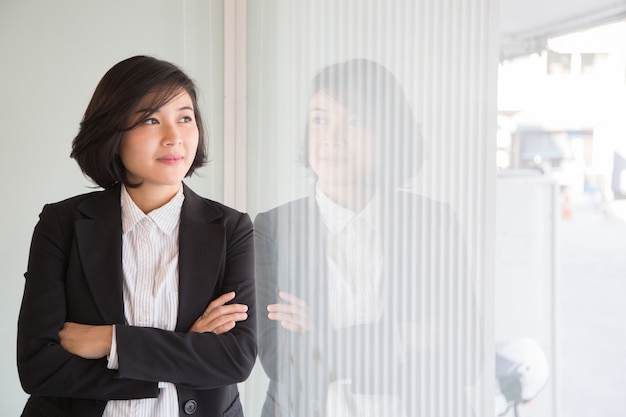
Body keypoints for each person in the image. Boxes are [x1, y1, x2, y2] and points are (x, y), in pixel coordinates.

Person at [17, 55, 257, 417]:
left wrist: (110, 341)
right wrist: (184, 354)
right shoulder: (62, 223)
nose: (174, 137)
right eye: (150, 119)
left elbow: (235, 360)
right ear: (114, 131)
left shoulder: (231, 228)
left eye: (185, 118)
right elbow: (38, 366)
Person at [254, 59, 479, 417]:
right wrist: (402, 340)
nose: (332, 138)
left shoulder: (432, 223)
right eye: (320, 119)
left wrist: (322, 340)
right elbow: (280, 359)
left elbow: (465, 354)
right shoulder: (274, 228)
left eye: (355, 121)